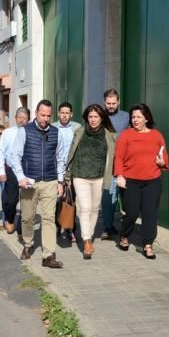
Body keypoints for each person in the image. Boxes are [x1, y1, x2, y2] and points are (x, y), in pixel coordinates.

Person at [10, 100, 66, 268]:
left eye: (49, 116)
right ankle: (28, 244)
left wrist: (61, 181)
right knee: (27, 217)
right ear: (36, 113)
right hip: (30, 181)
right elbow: (14, 156)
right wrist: (20, 177)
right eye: (43, 115)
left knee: (49, 218)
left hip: (50, 181)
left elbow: (61, 158)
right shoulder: (24, 131)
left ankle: (48, 255)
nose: (45, 119)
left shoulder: (56, 133)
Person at [114, 103, 169, 260]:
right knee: (131, 212)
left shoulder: (156, 135)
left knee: (150, 213)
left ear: (146, 118)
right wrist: (119, 175)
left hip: (152, 180)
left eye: (138, 117)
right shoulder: (126, 135)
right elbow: (119, 157)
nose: (135, 120)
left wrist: (162, 162)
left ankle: (147, 244)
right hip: (131, 180)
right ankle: (125, 235)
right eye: (133, 117)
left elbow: (164, 155)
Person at [65, 105, 116, 260]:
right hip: (80, 176)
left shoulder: (109, 135)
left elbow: (112, 158)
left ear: (101, 118)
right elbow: (71, 153)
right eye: (90, 117)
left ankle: (90, 235)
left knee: (94, 209)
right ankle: (87, 240)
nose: (93, 120)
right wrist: (68, 176)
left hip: (99, 177)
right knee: (85, 208)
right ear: (86, 118)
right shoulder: (79, 132)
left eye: (96, 116)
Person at [101, 89, 130, 240]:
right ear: (104, 102)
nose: (111, 106)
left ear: (118, 102)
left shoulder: (127, 117)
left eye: (114, 103)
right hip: (107, 163)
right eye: (108, 103)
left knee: (127, 198)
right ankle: (107, 227)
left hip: (125, 163)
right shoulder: (99, 116)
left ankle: (127, 227)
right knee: (109, 197)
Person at [0, 107, 30, 234]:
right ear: (15, 118)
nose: (21, 120)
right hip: (11, 170)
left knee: (27, 201)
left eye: (24, 118)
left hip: (27, 170)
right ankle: (9, 219)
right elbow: (0, 152)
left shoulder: (30, 132)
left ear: (28, 119)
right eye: (19, 117)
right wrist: (1, 171)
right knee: (10, 200)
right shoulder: (7, 133)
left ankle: (22, 226)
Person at [52, 101, 81, 244]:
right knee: (57, 200)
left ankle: (70, 230)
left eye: (67, 113)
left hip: (71, 170)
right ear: (58, 114)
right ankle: (57, 226)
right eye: (62, 113)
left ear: (71, 114)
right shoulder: (52, 127)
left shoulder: (77, 128)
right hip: (56, 169)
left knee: (70, 201)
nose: (64, 115)